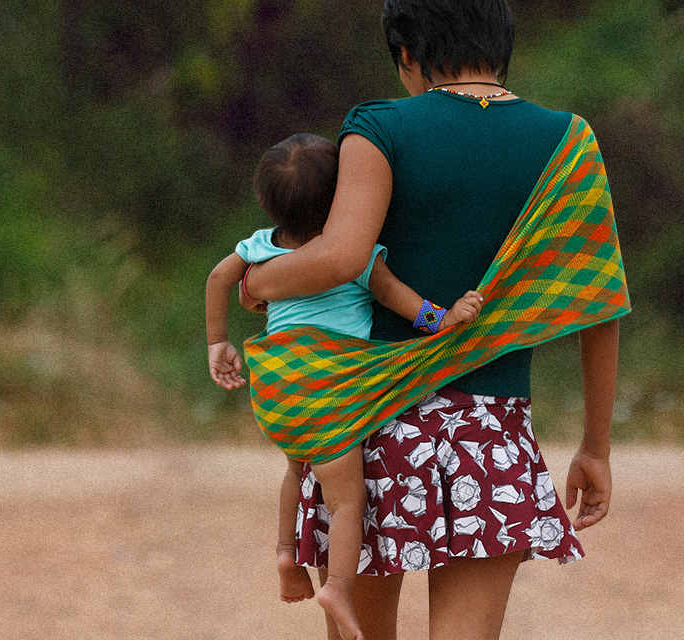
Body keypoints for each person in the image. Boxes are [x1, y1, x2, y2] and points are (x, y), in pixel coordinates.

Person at [242, 0, 622, 640]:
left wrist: (257, 282)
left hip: (376, 420)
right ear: (502, 43)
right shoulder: (568, 142)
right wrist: (595, 446)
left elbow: (341, 256)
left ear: (409, 52)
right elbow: (598, 307)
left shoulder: (380, 127)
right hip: (494, 433)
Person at [206, 131, 484, 640]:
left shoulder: (259, 249)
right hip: (328, 388)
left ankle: (286, 554)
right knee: (347, 500)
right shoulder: (353, 256)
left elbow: (218, 279)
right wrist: (445, 318)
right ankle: (337, 585)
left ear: (268, 203)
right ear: (344, 198)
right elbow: (402, 300)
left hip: (279, 389)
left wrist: (217, 342)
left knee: (298, 470)